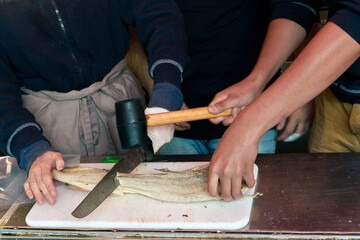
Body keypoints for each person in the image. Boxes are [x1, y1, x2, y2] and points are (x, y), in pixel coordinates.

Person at [0, 0, 190, 205]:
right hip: (47, 127)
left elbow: (159, 15)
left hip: (121, 103)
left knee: (143, 205)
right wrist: (31, 149)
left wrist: (166, 89)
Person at [207, 0, 360, 201]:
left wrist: (248, 125)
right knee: (328, 209)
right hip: (335, 99)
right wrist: (257, 81)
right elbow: (299, 3)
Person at [127, 0, 318, 156]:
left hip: (253, 113)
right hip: (172, 121)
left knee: (251, 200)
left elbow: (298, 6)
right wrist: (162, 91)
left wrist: (299, 89)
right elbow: (132, 20)